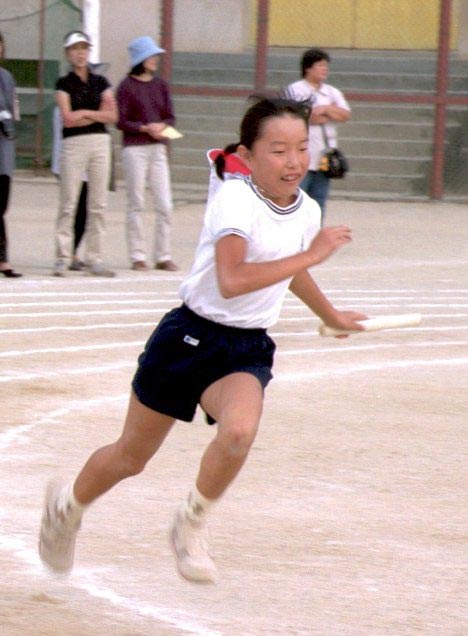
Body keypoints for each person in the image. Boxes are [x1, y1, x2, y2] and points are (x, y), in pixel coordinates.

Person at [38, 96, 366, 584]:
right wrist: (313, 255)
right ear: (248, 155)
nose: (294, 161)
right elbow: (233, 279)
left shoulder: (307, 211)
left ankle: (190, 522)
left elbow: (287, 271)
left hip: (245, 347)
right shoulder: (234, 199)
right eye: (278, 150)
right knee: (131, 457)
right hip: (188, 337)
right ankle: (66, 509)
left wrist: (331, 314)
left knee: (238, 433)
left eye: (301, 147)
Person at [52, 31, 118, 277]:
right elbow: (68, 119)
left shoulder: (100, 81)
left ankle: (95, 256)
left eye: (84, 48)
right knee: (69, 202)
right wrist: (95, 113)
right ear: (68, 53)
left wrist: (85, 113)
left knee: (98, 203)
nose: (80, 53)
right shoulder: (64, 83)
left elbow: (112, 115)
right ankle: (62, 256)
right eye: (75, 49)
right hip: (74, 143)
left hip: (100, 141)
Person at [116, 36, 178, 272]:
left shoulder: (161, 85)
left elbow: (170, 116)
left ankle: (163, 255)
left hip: (158, 147)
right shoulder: (126, 86)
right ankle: (137, 255)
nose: (155, 59)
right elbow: (121, 121)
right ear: (140, 59)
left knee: (165, 203)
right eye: (151, 56)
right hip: (135, 149)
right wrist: (144, 128)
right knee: (136, 202)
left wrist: (161, 126)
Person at [286, 48, 351, 223]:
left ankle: (315, 234)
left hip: (325, 157)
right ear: (308, 67)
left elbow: (345, 114)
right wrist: (329, 112)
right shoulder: (296, 90)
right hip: (302, 155)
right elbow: (304, 117)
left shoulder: (331, 91)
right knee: (296, 199)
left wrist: (326, 109)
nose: (325, 69)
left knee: (319, 201)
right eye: (320, 65)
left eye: (326, 65)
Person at [52, 105, 88, 271]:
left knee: (84, 209)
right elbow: (69, 121)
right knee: (69, 208)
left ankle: (73, 251)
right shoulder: (63, 102)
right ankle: (64, 254)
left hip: (89, 162)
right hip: (68, 160)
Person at [0, 31, 22, 278]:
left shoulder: (6, 77)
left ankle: (2, 257)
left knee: (1, 205)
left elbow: (13, 111)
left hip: (3, 148)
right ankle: (3, 259)